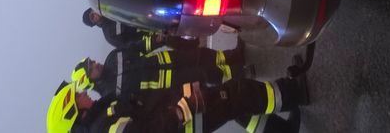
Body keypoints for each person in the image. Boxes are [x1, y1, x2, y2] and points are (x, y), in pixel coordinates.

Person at [46, 75, 305, 132]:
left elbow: (146, 105)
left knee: (236, 106)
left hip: (186, 112)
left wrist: (182, 93)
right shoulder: (104, 127)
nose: (83, 94)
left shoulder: (103, 115)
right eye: (77, 97)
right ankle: (293, 92)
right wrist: (185, 108)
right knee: (240, 93)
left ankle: (281, 131)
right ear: (74, 112)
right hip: (187, 120)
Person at [72, 42, 243, 98]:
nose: (95, 64)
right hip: (170, 82)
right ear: (89, 81)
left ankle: (234, 56)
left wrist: (155, 40)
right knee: (204, 75)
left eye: (92, 62)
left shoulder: (111, 57)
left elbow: (137, 46)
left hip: (167, 59)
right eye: (92, 68)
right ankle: (237, 73)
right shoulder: (111, 95)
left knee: (201, 55)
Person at [82, 9, 199, 54]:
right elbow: (127, 46)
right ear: (94, 23)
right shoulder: (109, 34)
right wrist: (149, 42)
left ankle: (196, 27)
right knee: (169, 39)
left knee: (174, 21)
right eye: (93, 17)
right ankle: (192, 47)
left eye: (93, 12)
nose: (96, 15)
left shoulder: (109, 10)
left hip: (146, 18)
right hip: (146, 36)